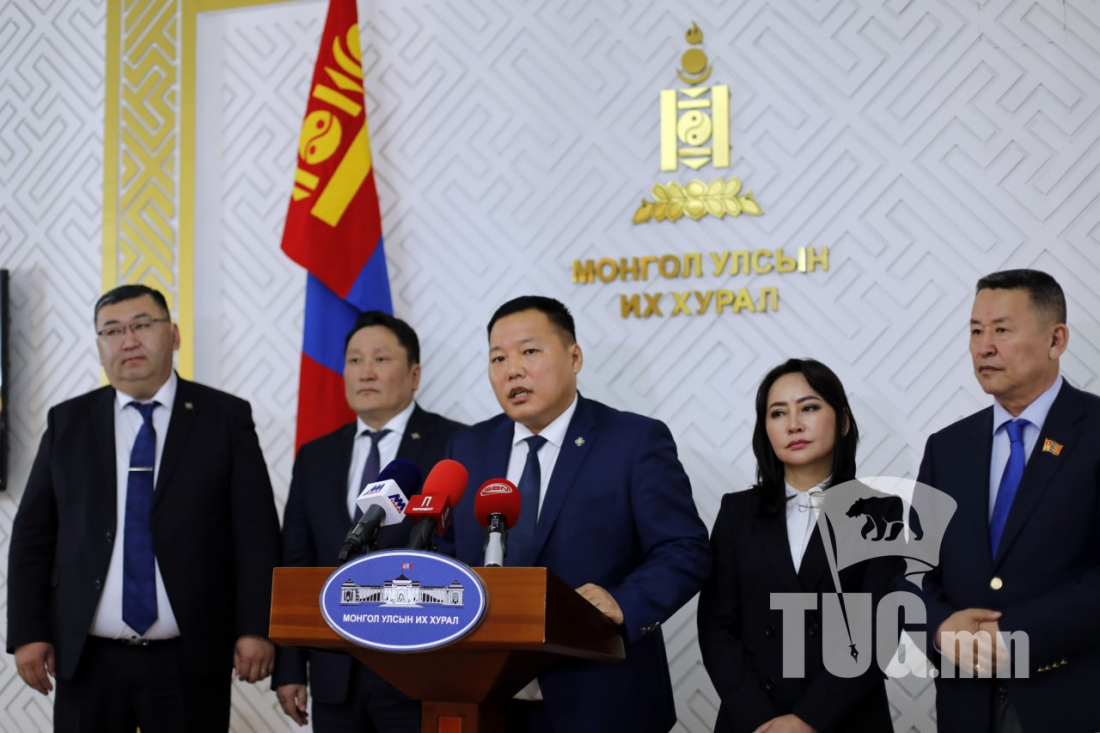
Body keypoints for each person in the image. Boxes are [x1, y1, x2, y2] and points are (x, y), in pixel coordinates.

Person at [6, 284, 281, 732]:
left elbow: (257, 534)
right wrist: (27, 632)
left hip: (190, 658)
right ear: (99, 347)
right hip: (87, 659)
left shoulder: (224, 417)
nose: (128, 340)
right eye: (112, 331)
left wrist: (256, 627)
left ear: (173, 334)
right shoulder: (67, 422)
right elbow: (32, 538)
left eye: (141, 325)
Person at [443, 295, 711, 732]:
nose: (512, 370)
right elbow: (446, 551)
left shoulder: (633, 440)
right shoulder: (468, 448)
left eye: (529, 351)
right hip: (488, 700)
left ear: (574, 357)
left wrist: (624, 601)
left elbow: (684, 549)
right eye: (498, 358)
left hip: (601, 698)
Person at [918, 269, 1100, 733]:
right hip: (966, 707)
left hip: (1072, 700)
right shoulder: (947, 448)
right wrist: (940, 628)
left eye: (1001, 330)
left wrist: (1022, 636)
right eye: (976, 331)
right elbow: (912, 570)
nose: (984, 347)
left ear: (1056, 340)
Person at [273, 310, 465, 731]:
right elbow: (296, 562)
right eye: (355, 360)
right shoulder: (316, 455)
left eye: (381, 359)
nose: (365, 372)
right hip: (334, 672)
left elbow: (463, 556)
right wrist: (289, 666)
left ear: (414, 374)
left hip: (420, 667)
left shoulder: (456, 445)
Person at [697, 359, 894, 733]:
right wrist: (761, 719)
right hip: (753, 721)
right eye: (778, 413)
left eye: (809, 407)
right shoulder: (737, 512)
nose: (793, 424)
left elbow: (877, 631)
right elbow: (716, 628)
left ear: (844, 421)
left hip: (846, 718)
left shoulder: (880, 512)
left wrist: (808, 719)